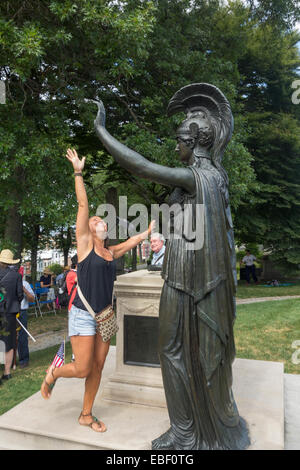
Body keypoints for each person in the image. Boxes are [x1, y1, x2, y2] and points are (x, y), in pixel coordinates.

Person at [90, 83, 250, 450]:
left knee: (176, 351)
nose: (175, 146)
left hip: (189, 281)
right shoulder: (214, 178)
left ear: (194, 143)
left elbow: (142, 166)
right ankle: (186, 429)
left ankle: (191, 432)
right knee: (175, 351)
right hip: (180, 276)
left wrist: (102, 131)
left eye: (179, 140)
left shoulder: (201, 177)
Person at [41, 148, 155, 434]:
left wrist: (146, 233)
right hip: (82, 315)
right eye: (93, 221)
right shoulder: (85, 246)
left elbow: (130, 243)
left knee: (98, 367)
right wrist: (78, 172)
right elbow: (82, 206)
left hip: (105, 316)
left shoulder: (109, 251)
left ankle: (86, 414)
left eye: (100, 219)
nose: (97, 220)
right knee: (81, 368)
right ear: (89, 230)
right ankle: (54, 372)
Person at [0, 249, 23, 381]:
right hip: (9, 312)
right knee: (8, 343)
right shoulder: (16, 276)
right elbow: (20, 295)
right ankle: (7, 372)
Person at [18, 273, 35, 368]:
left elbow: (32, 299)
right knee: (8, 338)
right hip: (9, 312)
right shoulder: (6, 282)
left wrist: (24, 290)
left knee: (22, 337)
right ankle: (10, 362)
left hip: (22, 312)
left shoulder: (25, 284)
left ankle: (24, 360)